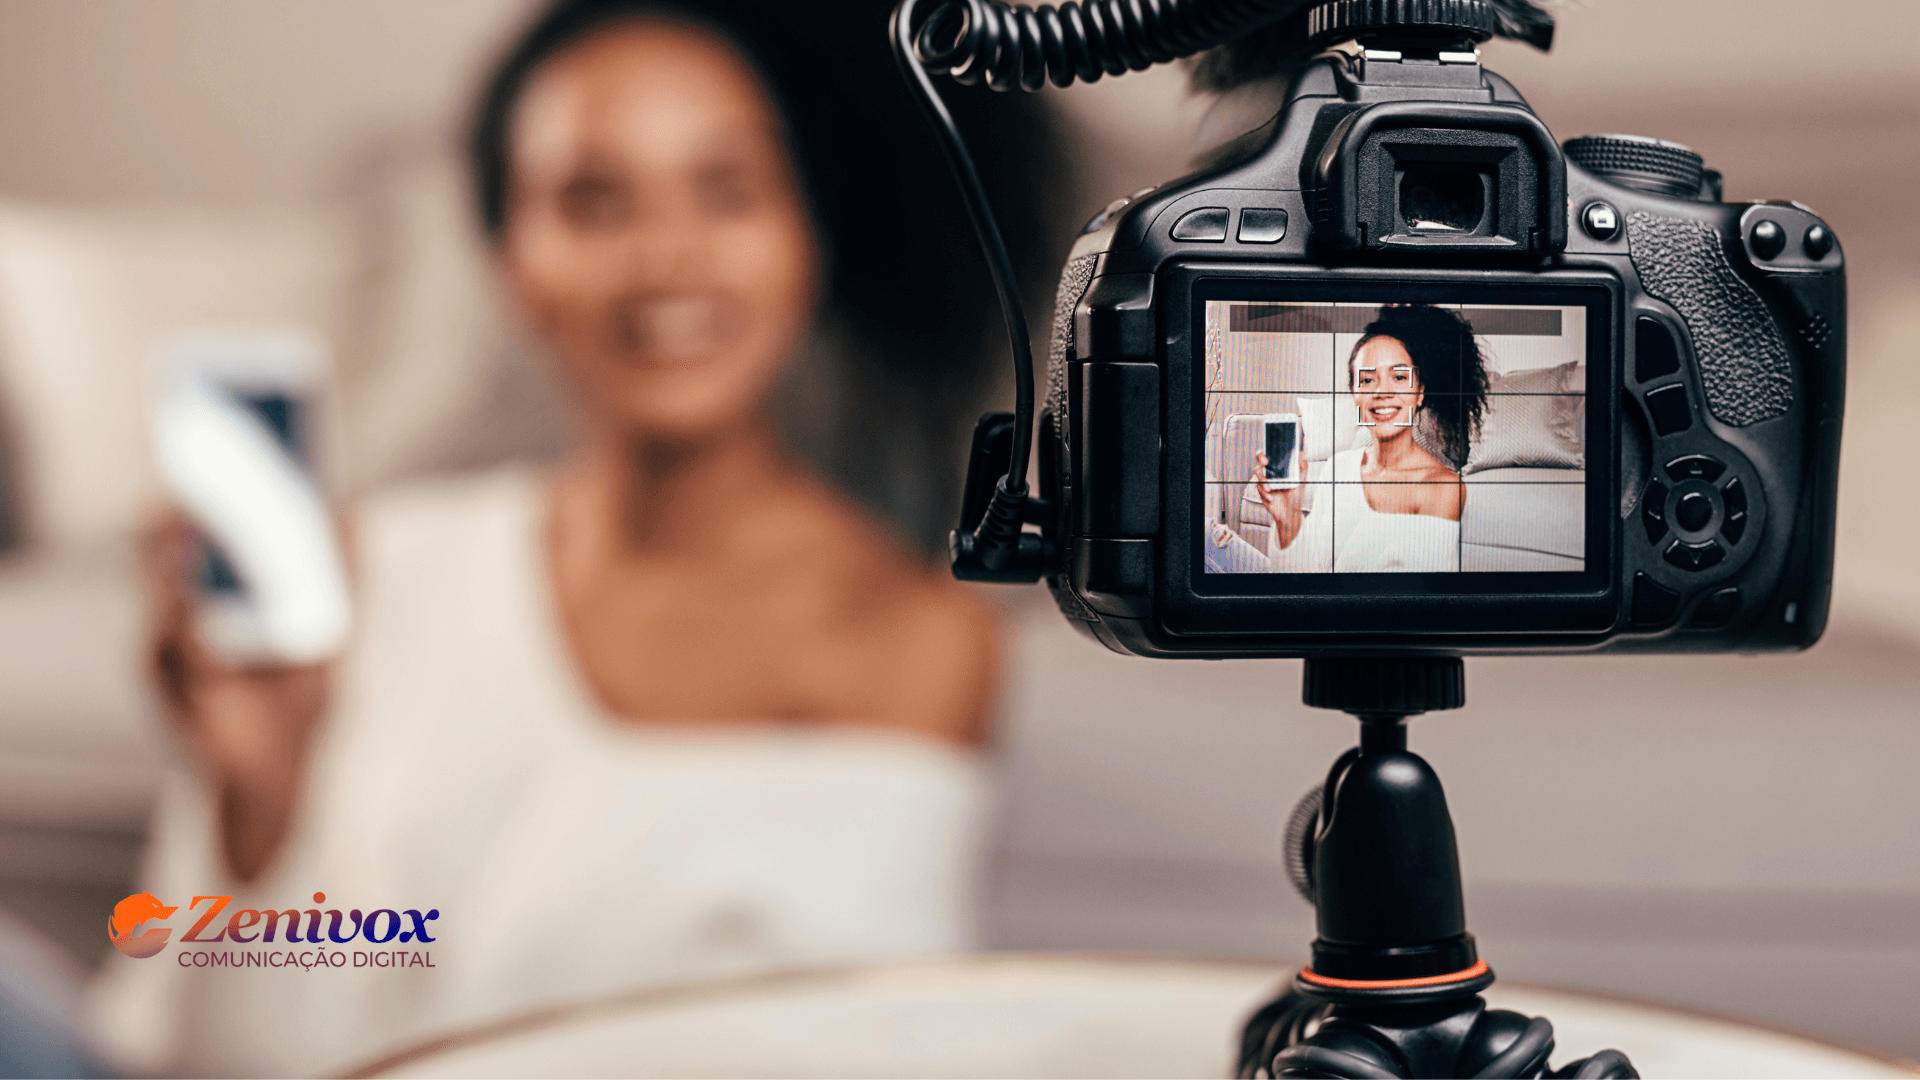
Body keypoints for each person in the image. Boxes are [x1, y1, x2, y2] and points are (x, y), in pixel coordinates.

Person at [91, 1, 1060, 1074]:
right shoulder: (368, 579)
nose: (668, 258)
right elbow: (179, 1060)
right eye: (594, 201)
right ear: (508, 259)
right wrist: (257, 807)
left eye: (728, 191)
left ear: (805, 238)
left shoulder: (919, 639)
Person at [1251, 305, 1489, 572]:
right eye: (1367, 379)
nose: (1382, 391)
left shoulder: (1443, 488)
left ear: (1420, 393)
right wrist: (1288, 519)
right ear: (1354, 393)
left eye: (1399, 377)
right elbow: (1300, 585)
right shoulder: (1337, 467)